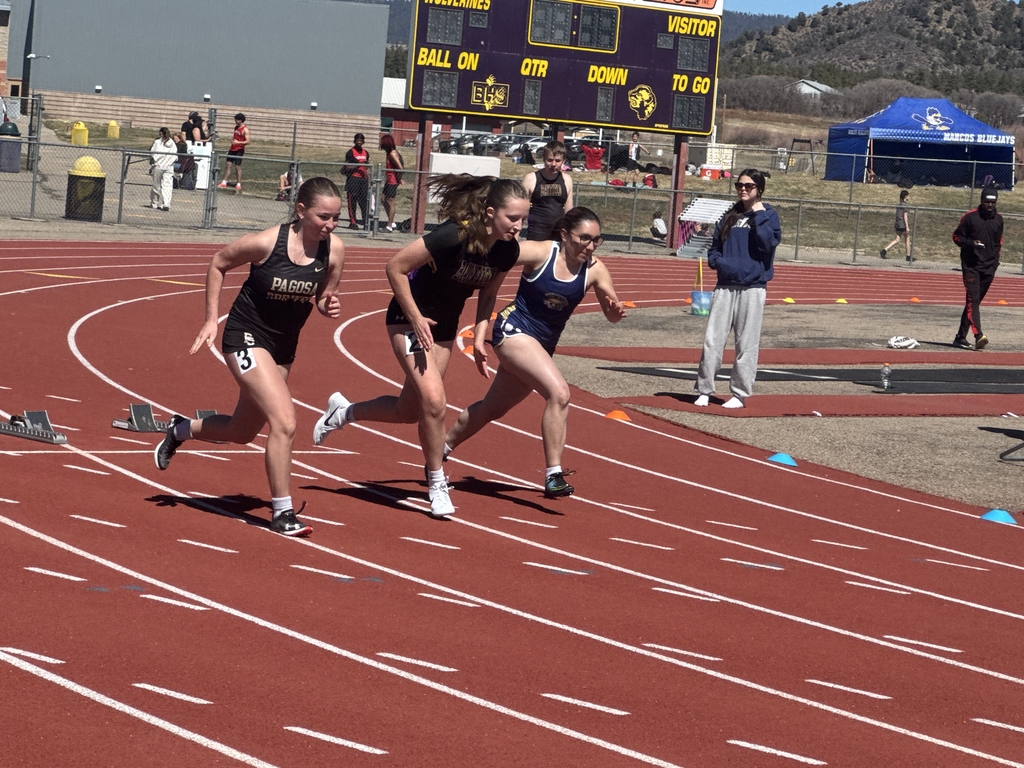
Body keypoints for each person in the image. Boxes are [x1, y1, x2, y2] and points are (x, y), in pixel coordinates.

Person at [312, 174, 530, 519]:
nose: (518, 226)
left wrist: (480, 333)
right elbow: (395, 267)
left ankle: (344, 412)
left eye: (523, 219)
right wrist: (415, 318)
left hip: (444, 325)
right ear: (490, 213)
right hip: (409, 316)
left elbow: (489, 292)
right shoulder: (454, 235)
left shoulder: (507, 249)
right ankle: (436, 481)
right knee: (435, 401)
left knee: (410, 410)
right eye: (512, 218)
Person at [154, 177, 346, 537]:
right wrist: (211, 319)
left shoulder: (333, 251)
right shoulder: (266, 243)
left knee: (242, 431)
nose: (330, 225)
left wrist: (327, 305)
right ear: (301, 210)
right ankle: (282, 512)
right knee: (284, 422)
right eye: (323, 217)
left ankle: (179, 429)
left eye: (336, 218)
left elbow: (323, 295)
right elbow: (218, 263)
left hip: (283, 347)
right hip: (245, 336)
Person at [443, 207, 626, 499]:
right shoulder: (541, 253)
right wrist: (479, 330)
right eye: (584, 238)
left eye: (596, 240)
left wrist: (615, 312)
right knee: (559, 394)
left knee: (492, 408)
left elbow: (611, 313)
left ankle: (440, 447)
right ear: (564, 235)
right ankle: (553, 475)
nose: (590, 246)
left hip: (541, 346)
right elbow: (496, 257)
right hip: (513, 331)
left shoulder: (595, 269)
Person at [694, 169, 782, 409]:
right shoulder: (729, 215)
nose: (743, 189)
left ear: (759, 189)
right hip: (725, 285)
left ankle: (739, 394)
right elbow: (715, 246)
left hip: (752, 287)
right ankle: (704, 389)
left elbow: (768, 243)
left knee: (746, 343)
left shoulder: (769, 215)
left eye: (749, 186)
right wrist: (717, 262)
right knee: (713, 340)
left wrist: (759, 215)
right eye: (739, 185)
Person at [952, 186, 1003, 350]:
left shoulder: (999, 220)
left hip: (989, 267)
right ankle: (978, 335)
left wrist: (995, 263)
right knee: (972, 300)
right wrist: (970, 243)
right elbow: (956, 236)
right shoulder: (970, 217)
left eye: (993, 202)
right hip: (971, 266)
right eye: (987, 201)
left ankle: (960, 337)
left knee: (973, 304)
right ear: (981, 201)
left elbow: (998, 242)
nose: (990, 205)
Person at [522, 141, 574, 241]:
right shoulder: (531, 179)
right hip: (536, 233)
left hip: (558, 233)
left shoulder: (567, 179)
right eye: (550, 160)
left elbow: (569, 210)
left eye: (557, 161)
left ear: (563, 161)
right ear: (543, 159)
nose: (553, 164)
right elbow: (520, 210)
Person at [342, 133, 370, 229]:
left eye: (361, 140)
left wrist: (369, 179)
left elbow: (367, 168)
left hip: (363, 180)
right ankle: (353, 222)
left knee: (364, 202)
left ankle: (365, 222)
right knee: (352, 201)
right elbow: (347, 166)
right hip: (353, 179)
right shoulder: (350, 152)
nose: (359, 142)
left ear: (363, 142)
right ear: (354, 141)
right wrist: (359, 164)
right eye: (357, 140)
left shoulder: (366, 153)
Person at [218, 113, 250, 192]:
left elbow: (248, 141)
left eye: (237, 119)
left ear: (241, 120)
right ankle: (224, 181)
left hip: (239, 150)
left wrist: (238, 142)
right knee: (228, 165)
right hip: (232, 149)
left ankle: (238, 183)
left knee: (237, 166)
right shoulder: (236, 127)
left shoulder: (245, 129)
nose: (235, 121)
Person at [380, 134, 404, 232]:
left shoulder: (392, 154)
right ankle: (392, 222)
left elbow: (400, 168)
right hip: (388, 180)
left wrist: (399, 179)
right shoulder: (388, 153)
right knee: (383, 199)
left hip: (392, 181)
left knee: (390, 201)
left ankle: (389, 226)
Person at [149, 127, 176, 212]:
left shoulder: (157, 142)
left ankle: (154, 202)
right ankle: (166, 203)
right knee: (167, 185)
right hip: (169, 167)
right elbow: (175, 156)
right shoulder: (173, 143)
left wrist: (154, 161)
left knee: (156, 185)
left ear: (161, 133)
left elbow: (152, 152)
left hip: (159, 166)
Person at [880, 189, 911, 261]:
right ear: (905, 196)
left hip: (898, 224)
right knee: (907, 238)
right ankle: (908, 256)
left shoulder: (899, 205)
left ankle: (884, 250)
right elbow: (905, 217)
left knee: (897, 239)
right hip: (902, 224)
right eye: (908, 196)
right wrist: (907, 227)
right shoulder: (904, 205)